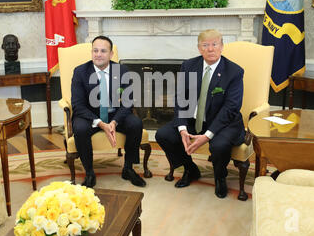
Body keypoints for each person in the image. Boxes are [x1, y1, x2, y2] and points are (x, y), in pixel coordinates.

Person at [155, 29, 245, 199]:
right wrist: (182, 128)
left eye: (214, 44)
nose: (210, 49)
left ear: (222, 46)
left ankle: (220, 176)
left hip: (224, 123)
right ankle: (190, 168)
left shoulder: (234, 72)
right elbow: (180, 97)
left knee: (218, 145)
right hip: (194, 119)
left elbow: (231, 108)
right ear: (199, 48)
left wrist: (208, 135)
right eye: (205, 45)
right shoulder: (189, 66)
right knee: (164, 134)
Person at [71, 36, 146, 188]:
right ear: (91, 52)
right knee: (79, 128)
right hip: (89, 116)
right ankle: (90, 172)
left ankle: (128, 168)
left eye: (103, 51)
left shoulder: (122, 70)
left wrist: (113, 122)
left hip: (114, 114)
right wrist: (100, 123)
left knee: (135, 123)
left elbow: (127, 102)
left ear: (111, 54)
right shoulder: (80, 72)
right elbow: (78, 105)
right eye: (95, 50)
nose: (98, 54)